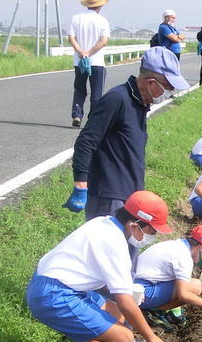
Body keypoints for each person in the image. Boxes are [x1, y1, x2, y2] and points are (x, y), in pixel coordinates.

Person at [26, 191, 174, 342]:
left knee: (112, 309)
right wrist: (151, 336)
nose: (152, 236)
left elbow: (117, 296)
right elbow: (126, 301)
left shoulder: (103, 223)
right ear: (135, 224)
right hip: (53, 294)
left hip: (53, 285)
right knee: (123, 338)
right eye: (152, 231)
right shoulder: (114, 243)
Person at [63, 46, 189, 220]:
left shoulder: (140, 104)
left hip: (131, 196)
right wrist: (80, 185)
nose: (169, 93)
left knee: (128, 247)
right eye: (168, 87)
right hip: (109, 198)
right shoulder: (117, 99)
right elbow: (86, 141)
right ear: (151, 82)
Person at [135, 224, 202, 322]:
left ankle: (156, 308)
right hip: (140, 294)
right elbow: (184, 295)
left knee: (192, 283)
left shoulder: (178, 245)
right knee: (196, 287)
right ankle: (155, 311)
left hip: (135, 284)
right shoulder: (184, 258)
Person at [67, 0, 110, 128]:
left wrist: (81, 52)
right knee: (96, 93)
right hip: (97, 62)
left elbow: (71, 38)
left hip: (79, 61)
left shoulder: (76, 18)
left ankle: (76, 115)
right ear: (100, 5)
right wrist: (89, 52)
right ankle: (93, 120)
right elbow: (103, 41)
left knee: (80, 89)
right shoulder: (102, 20)